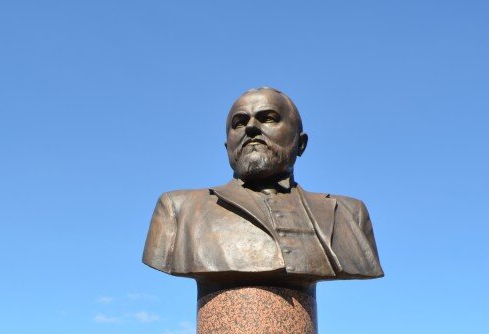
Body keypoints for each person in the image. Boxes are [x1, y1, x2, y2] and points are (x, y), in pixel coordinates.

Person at [142, 87, 383, 286]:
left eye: (268, 118)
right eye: (239, 122)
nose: (251, 128)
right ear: (227, 147)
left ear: (301, 144)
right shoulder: (179, 209)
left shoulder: (349, 213)